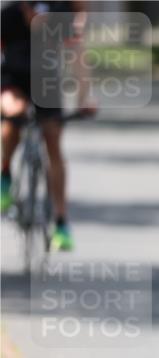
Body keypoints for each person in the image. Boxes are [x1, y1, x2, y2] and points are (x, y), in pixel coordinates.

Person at [1, 0, 94, 250]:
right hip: (14, 83)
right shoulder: (8, 17)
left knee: (53, 141)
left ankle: (61, 222)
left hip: (47, 86)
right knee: (15, 114)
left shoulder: (60, 15)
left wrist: (85, 97)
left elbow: (76, 55)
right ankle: (5, 175)